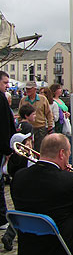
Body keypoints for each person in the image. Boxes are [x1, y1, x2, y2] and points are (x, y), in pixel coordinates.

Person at [2, 132, 33, 251]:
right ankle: (9, 235)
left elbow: (6, 170)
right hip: (26, 186)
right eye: (26, 142)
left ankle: (16, 234)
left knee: (21, 210)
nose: (29, 144)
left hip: (15, 186)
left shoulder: (13, 158)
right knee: (23, 211)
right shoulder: (25, 157)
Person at [0, 71, 16, 232]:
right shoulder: (1, 99)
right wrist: (7, 148)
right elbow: (5, 125)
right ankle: (1, 217)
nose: (7, 86)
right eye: (5, 83)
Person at [18, 81, 54, 151]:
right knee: (27, 148)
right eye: (26, 89)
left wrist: (50, 125)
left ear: (35, 89)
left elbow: (48, 113)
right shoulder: (23, 100)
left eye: (29, 89)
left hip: (40, 128)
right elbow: (20, 114)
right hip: (27, 128)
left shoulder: (43, 99)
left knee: (39, 149)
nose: (27, 90)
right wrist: (20, 124)